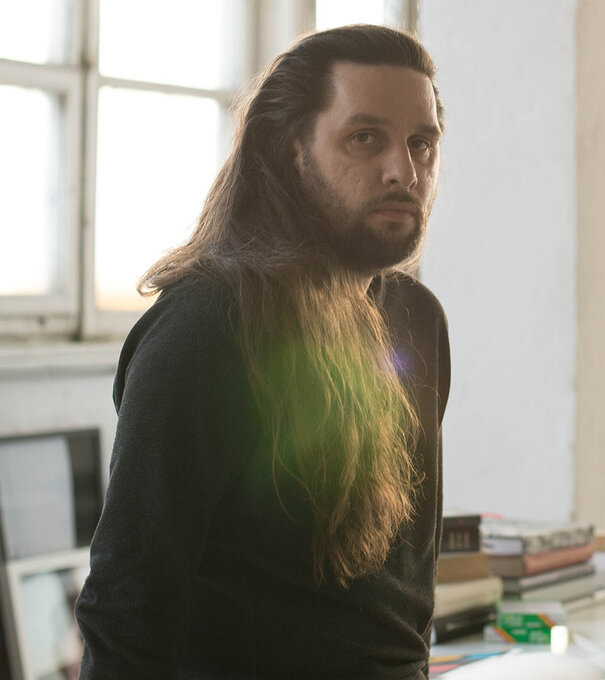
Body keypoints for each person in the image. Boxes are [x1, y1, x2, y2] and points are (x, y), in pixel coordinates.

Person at [75, 24, 451, 680]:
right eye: (366, 138)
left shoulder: (416, 318)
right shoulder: (207, 328)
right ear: (290, 151)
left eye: (422, 144)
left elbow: (401, 600)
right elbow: (128, 611)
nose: (405, 171)